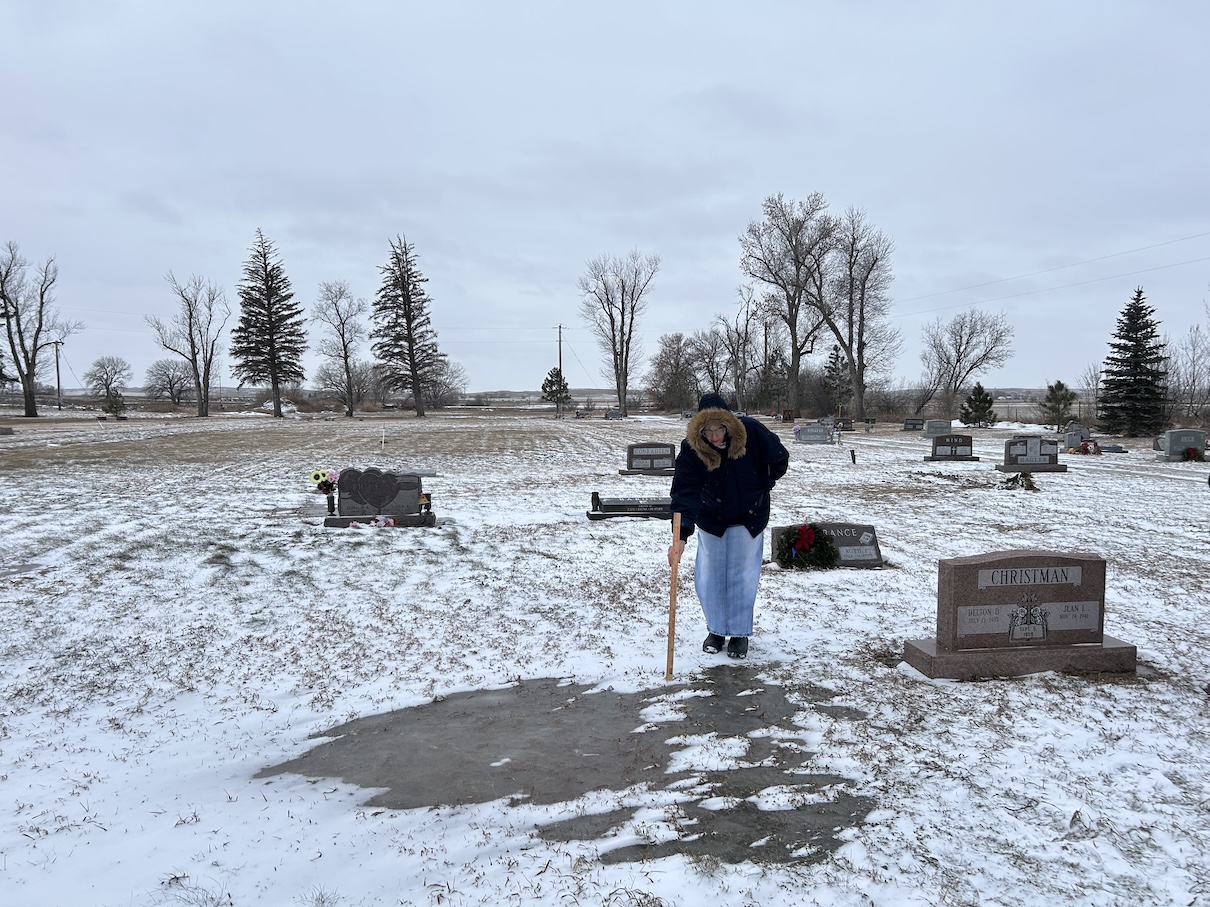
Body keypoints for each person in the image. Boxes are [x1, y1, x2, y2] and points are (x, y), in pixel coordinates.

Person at [667, 393, 789, 660]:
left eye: (719, 429)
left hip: (749, 516)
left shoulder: (752, 432)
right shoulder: (692, 448)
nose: (714, 436)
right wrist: (681, 536)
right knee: (710, 577)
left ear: (729, 424)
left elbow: (779, 458)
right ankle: (716, 630)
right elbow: (685, 491)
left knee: (741, 577)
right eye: (707, 431)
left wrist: (763, 484)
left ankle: (739, 633)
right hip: (712, 518)